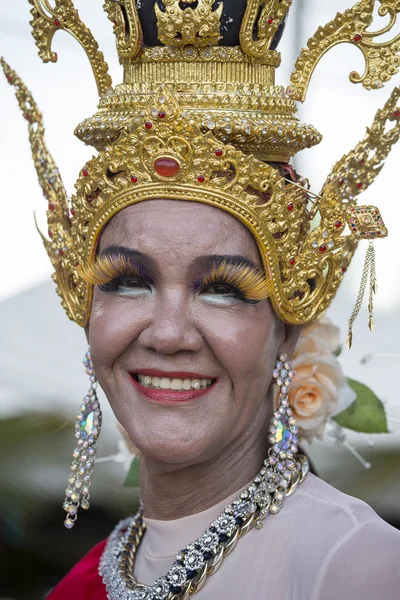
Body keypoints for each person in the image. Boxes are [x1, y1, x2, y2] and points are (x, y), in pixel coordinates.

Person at [3, 1, 400, 598]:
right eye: (128, 281)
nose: (167, 334)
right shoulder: (97, 572)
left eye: (222, 290)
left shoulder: (350, 566)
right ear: (84, 305)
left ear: (289, 325)